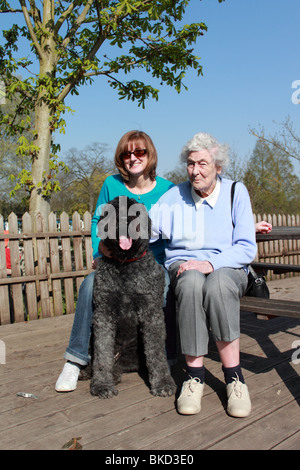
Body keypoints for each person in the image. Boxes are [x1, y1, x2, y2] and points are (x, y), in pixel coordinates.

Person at [55, 130, 175, 392]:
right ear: (121, 158)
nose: (133, 157)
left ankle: (163, 361)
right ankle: (76, 359)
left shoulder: (168, 189)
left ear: (149, 155)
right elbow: (98, 220)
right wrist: (101, 251)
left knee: (162, 293)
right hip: (114, 261)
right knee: (89, 286)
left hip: (151, 262)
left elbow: (186, 222)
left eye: (139, 152)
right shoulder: (111, 184)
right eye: (127, 153)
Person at [150, 132, 257, 418]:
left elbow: (247, 248)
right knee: (191, 282)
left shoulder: (236, 192)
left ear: (218, 167)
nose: (195, 171)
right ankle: (194, 376)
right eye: (190, 164)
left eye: (203, 164)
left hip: (228, 267)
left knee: (219, 284)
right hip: (184, 264)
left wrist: (211, 263)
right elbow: (147, 230)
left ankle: (234, 378)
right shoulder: (174, 196)